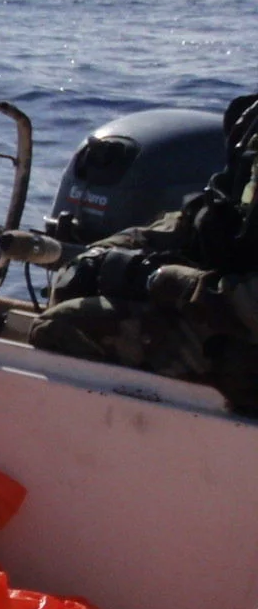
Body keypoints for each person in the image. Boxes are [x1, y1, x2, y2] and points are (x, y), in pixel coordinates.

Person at [30, 93, 258, 414]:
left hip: (243, 335)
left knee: (67, 326)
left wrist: (155, 278)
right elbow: (207, 214)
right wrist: (110, 250)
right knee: (78, 285)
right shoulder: (251, 124)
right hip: (230, 320)